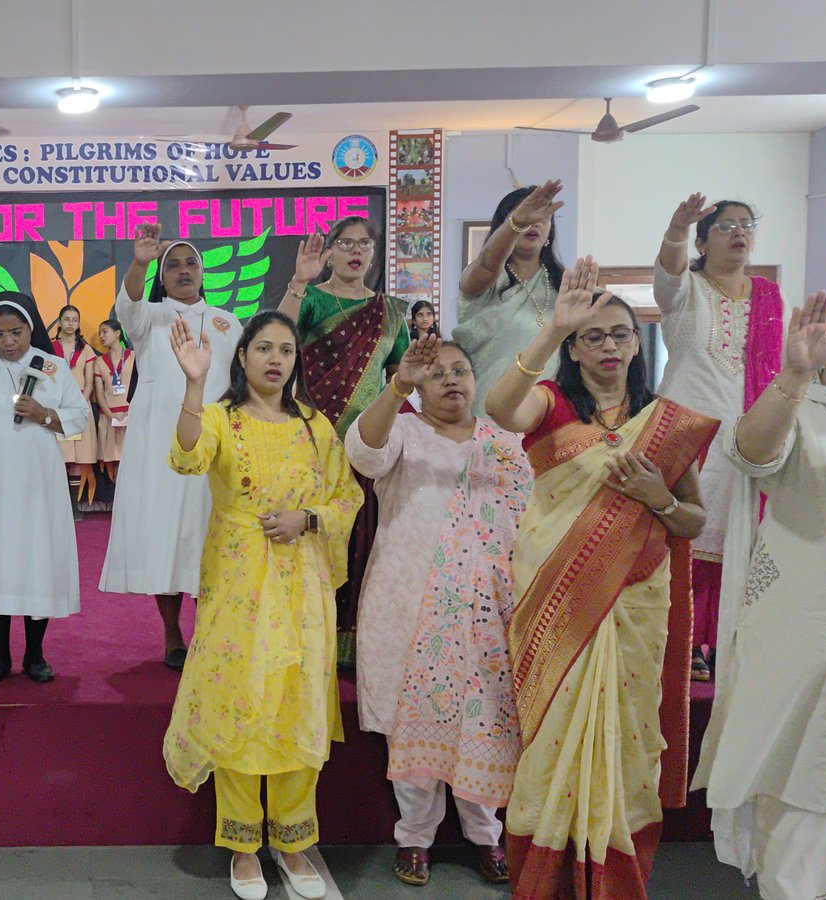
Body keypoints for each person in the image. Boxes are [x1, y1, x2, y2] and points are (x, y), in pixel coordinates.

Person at [484, 257, 718, 898]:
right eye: (593, 336)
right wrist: (552, 329)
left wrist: (658, 497)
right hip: (558, 599)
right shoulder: (552, 404)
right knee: (556, 731)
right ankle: (547, 875)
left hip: (636, 601)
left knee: (624, 735)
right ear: (575, 347)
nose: (609, 345)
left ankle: (613, 874)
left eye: (620, 334)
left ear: (637, 343)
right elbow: (500, 407)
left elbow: (694, 519)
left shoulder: (667, 422)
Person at [694, 288, 826, 900]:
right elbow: (750, 454)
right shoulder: (797, 410)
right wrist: (795, 375)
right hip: (806, 633)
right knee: (799, 769)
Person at [163, 311, 361, 900]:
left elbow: (346, 497)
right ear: (243, 356)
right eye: (264, 348)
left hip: (303, 585)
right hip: (239, 582)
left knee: (298, 702)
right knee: (240, 701)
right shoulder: (221, 418)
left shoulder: (315, 426)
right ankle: (243, 843)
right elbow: (187, 459)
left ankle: (294, 839)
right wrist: (194, 385)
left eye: (286, 350)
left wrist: (308, 518)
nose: (276, 359)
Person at [346, 334, 531, 886]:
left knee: (486, 716)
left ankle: (486, 834)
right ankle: (415, 837)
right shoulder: (404, 431)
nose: (451, 380)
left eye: (460, 370)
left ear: (476, 380)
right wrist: (396, 387)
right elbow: (363, 454)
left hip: (488, 606)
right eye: (437, 373)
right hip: (410, 599)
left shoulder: (506, 440)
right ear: (420, 388)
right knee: (415, 716)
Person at [652, 194, 786, 682]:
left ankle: (724, 640)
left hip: (747, 440)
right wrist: (676, 228)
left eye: (746, 224)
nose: (739, 233)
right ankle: (678, 642)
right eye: (726, 226)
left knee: (738, 539)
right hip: (686, 436)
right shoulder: (685, 289)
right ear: (703, 242)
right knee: (682, 533)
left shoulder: (768, 297)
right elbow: (668, 272)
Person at [100, 225, 242, 670]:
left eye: (190, 263)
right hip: (159, 445)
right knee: (166, 536)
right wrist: (140, 262)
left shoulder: (227, 321)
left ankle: (209, 631)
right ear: (162, 277)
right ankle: (172, 633)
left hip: (215, 444)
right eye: (173, 265)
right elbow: (128, 303)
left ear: (202, 271)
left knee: (208, 535)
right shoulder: (150, 316)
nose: (183, 271)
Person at [278, 217, 411, 668]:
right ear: (330, 251)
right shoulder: (312, 299)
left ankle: (351, 643)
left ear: (373, 254)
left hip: (366, 447)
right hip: (312, 441)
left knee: (361, 539)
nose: (356, 251)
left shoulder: (391, 312)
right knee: (311, 537)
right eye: (346, 242)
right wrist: (299, 282)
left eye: (364, 244)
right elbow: (278, 337)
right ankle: (304, 637)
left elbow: (399, 380)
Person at [0, 293, 90, 684]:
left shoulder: (53, 366)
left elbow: (80, 416)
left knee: (37, 557)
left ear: (30, 328)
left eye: (16, 332)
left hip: (39, 476)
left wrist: (45, 415)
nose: (7, 341)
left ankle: (35, 655)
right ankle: (0, 655)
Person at [455, 180, 568, 419]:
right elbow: (488, 263)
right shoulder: (484, 279)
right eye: (526, 214)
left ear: (550, 232)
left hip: (552, 415)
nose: (534, 222)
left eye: (544, 217)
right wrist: (517, 222)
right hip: (490, 413)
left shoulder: (566, 286)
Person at [52, 304, 99, 517]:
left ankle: (74, 506)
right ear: (59, 322)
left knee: (78, 457)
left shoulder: (86, 349)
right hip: (57, 407)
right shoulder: (50, 347)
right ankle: (60, 507)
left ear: (78, 324)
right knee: (61, 455)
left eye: (74, 320)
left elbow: (89, 383)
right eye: (67, 319)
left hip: (80, 405)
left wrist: (79, 404)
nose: (70, 323)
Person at [91, 319, 134, 481]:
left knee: (133, 461)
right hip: (109, 418)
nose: (101, 336)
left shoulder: (133, 357)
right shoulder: (99, 362)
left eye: (105, 332)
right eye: (100, 333)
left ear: (117, 333)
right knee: (115, 464)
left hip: (132, 416)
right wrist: (113, 419)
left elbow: (140, 387)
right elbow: (99, 395)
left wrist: (130, 415)